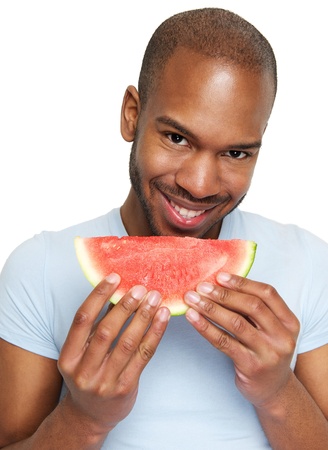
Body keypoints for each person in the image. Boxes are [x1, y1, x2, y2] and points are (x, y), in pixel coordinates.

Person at [0, 7, 328, 449]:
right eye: (177, 138)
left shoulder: (308, 261)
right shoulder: (38, 267)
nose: (198, 184)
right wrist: (83, 420)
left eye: (236, 154)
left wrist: (276, 392)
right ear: (132, 115)